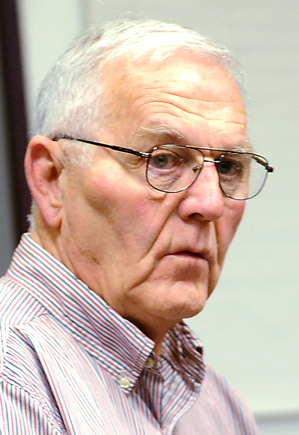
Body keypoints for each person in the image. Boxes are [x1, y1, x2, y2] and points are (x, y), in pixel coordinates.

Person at [0, 19, 273, 435]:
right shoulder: (13, 381)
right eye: (162, 160)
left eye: (229, 167)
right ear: (52, 179)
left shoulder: (217, 405)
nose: (211, 204)